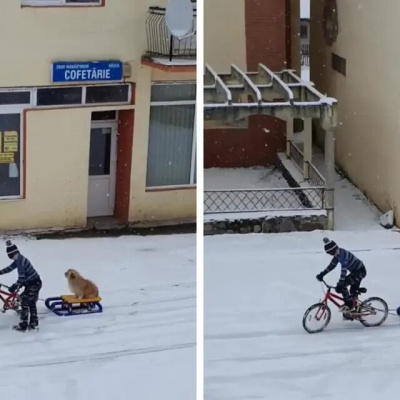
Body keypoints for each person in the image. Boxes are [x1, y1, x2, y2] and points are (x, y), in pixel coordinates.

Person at [0, 240, 42, 331]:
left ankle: (24, 324)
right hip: (31, 283)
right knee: (30, 302)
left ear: (11, 254)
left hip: (34, 283)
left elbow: (21, 278)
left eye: (9, 255)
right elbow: (9, 268)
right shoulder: (18, 259)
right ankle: (34, 322)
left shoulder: (20, 262)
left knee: (25, 302)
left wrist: (15, 286)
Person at [316, 237, 367, 313]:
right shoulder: (337, 254)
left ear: (333, 250)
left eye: (330, 253)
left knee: (343, 285)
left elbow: (344, 270)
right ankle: (352, 307)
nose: (330, 255)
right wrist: (322, 274)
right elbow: (332, 265)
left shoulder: (343, 255)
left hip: (360, 271)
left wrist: (340, 283)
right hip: (355, 272)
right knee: (349, 288)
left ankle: (350, 306)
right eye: (329, 253)